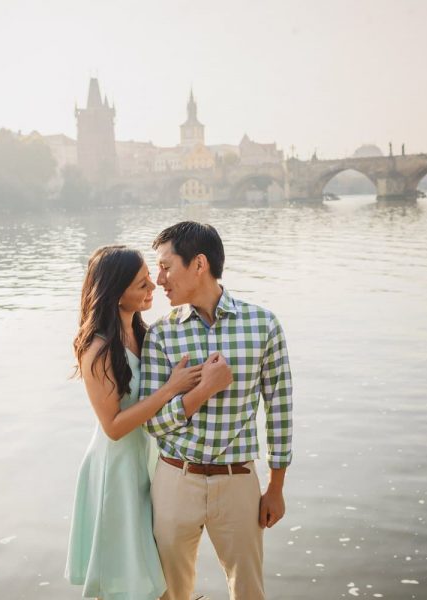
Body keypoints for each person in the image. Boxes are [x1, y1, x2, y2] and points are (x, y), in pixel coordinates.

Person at [140, 222, 293, 600]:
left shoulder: (263, 324)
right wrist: (204, 389)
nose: (159, 280)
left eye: (166, 266)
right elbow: (153, 424)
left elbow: (281, 410)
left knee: (249, 593)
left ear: (199, 264)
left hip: (238, 481)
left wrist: (276, 486)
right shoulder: (160, 334)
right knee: (170, 593)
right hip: (176, 478)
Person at [65, 245, 228, 600]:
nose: (153, 285)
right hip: (117, 467)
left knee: (156, 566)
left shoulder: (145, 335)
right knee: (126, 575)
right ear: (116, 290)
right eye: (141, 284)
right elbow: (114, 426)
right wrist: (171, 388)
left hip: (151, 460)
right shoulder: (97, 348)